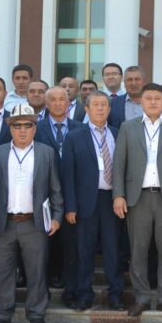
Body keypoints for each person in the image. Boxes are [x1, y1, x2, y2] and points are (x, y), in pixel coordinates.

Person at [0, 104, 63, 323]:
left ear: (35, 128)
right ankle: (1, 314)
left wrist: (57, 216)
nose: (23, 130)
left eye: (28, 125)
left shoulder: (46, 153)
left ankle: (36, 315)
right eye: (17, 126)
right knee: (3, 271)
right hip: (3, 223)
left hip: (34, 223)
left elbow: (55, 188)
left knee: (37, 272)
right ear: (10, 128)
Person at [113, 83, 162, 316]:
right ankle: (142, 297)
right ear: (141, 102)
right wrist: (118, 195)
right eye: (149, 98)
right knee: (139, 250)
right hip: (137, 198)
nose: (154, 102)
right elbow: (119, 165)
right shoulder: (128, 127)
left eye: (158, 98)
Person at [60, 92, 124, 311]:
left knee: (113, 250)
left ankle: (115, 295)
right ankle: (84, 294)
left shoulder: (118, 133)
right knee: (84, 251)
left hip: (112, 200)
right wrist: (70, 206)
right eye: (95, 104)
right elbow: (67, 174)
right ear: (86, 109)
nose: (100, 108)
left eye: (104, 104)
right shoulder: (74, 136)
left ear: (109, 109)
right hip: (84, 202)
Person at [35, 86, 83, 292]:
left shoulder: (80, 128)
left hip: (74, 191)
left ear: (68, 103)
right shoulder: (37, 128)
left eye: (61, 99)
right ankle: (48, 277)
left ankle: (67, 277)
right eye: (52, 100)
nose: (57, 103)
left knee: (71, 238)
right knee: (48, 236)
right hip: (45, 191)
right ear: (46, 104)